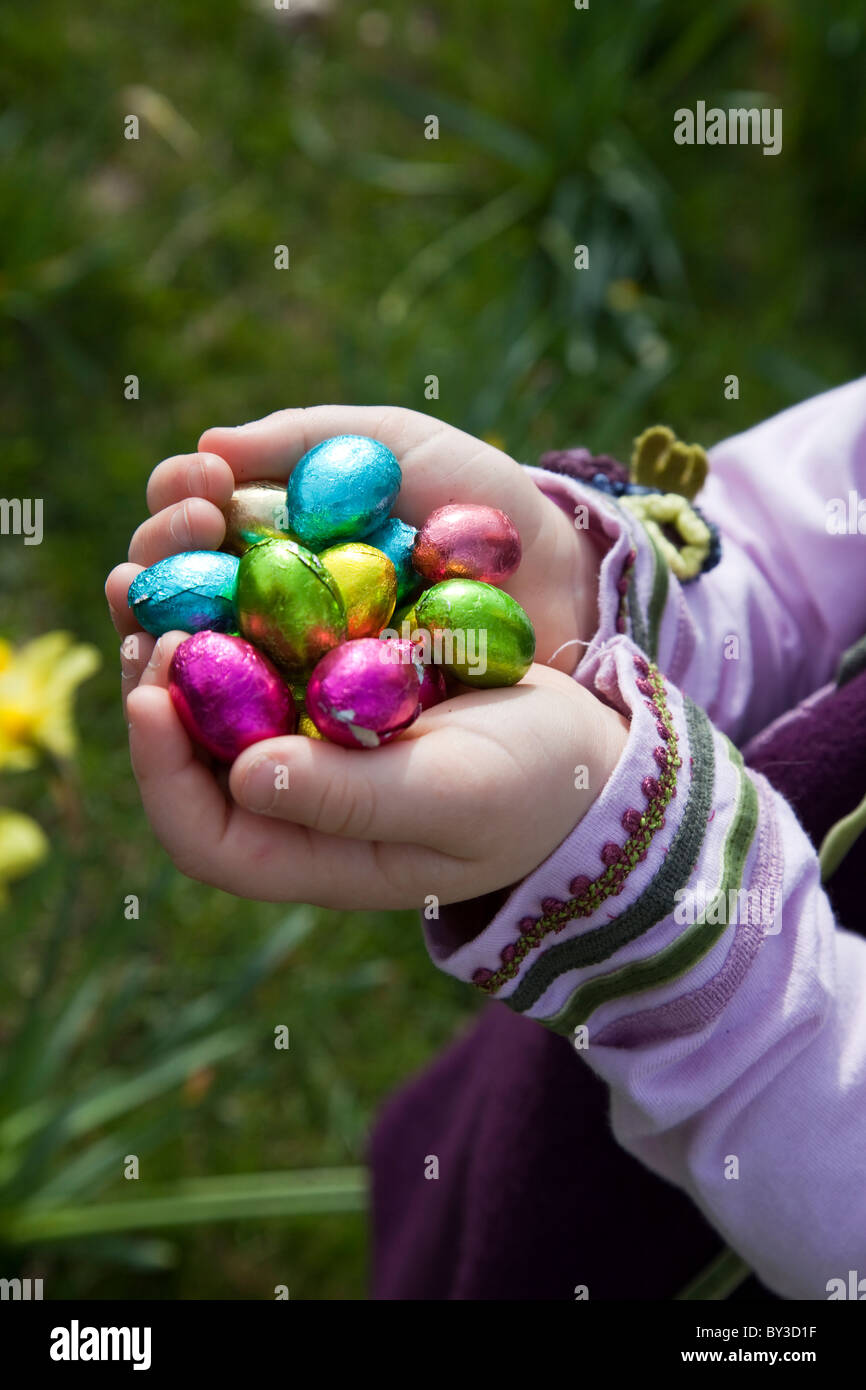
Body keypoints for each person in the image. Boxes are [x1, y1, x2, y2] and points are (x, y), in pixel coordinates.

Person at [106, 385, 866, 1300]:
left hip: (716, 1215)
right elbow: (800, 548)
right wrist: (593, 599)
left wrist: (669, 926)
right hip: (568, 1090)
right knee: (468, 1206)